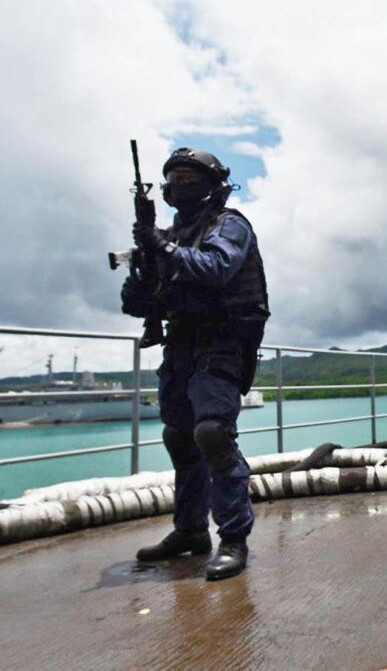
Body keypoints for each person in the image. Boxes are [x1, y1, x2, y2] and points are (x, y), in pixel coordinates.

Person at [121, 147, 270, 580]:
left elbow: (218, 267)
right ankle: (189, 532)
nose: (182, 186)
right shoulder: (170, 237)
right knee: (180, 438)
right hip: (182, 346)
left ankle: (233, 538)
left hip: (223, 342)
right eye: (176, 179)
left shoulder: (231, 225)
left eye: (191, 178)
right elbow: (140, 304)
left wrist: (161, 246)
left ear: (213, 185)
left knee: (212, 435)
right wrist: (142, 273)